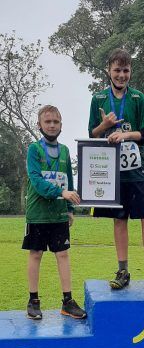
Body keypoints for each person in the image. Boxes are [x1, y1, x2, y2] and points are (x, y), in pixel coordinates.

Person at [88, 48, 144, 290]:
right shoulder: (98, 99)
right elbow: (91, 134)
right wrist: (104, 125)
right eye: (117, 70)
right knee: (119, 219)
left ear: (130, 71)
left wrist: (125, 135)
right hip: (112, 170)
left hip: (138, 168)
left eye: (126, 70)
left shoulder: (138, 98)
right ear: (109, 71)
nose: (121, 75)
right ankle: (123, 271)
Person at [22, 105, 87, 320]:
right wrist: (62, 192)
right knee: (36, 254)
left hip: (59, 214)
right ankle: (33, 301)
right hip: (37, 214)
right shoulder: (34, 149)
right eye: (47, 121)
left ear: (61, 125)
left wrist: (69, 209)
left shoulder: (66, 151)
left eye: (55, 122)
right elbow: (37, 181)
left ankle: (67, 301)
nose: (51, 125)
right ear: (39, 125)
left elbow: (68, 179)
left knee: (63, 254)